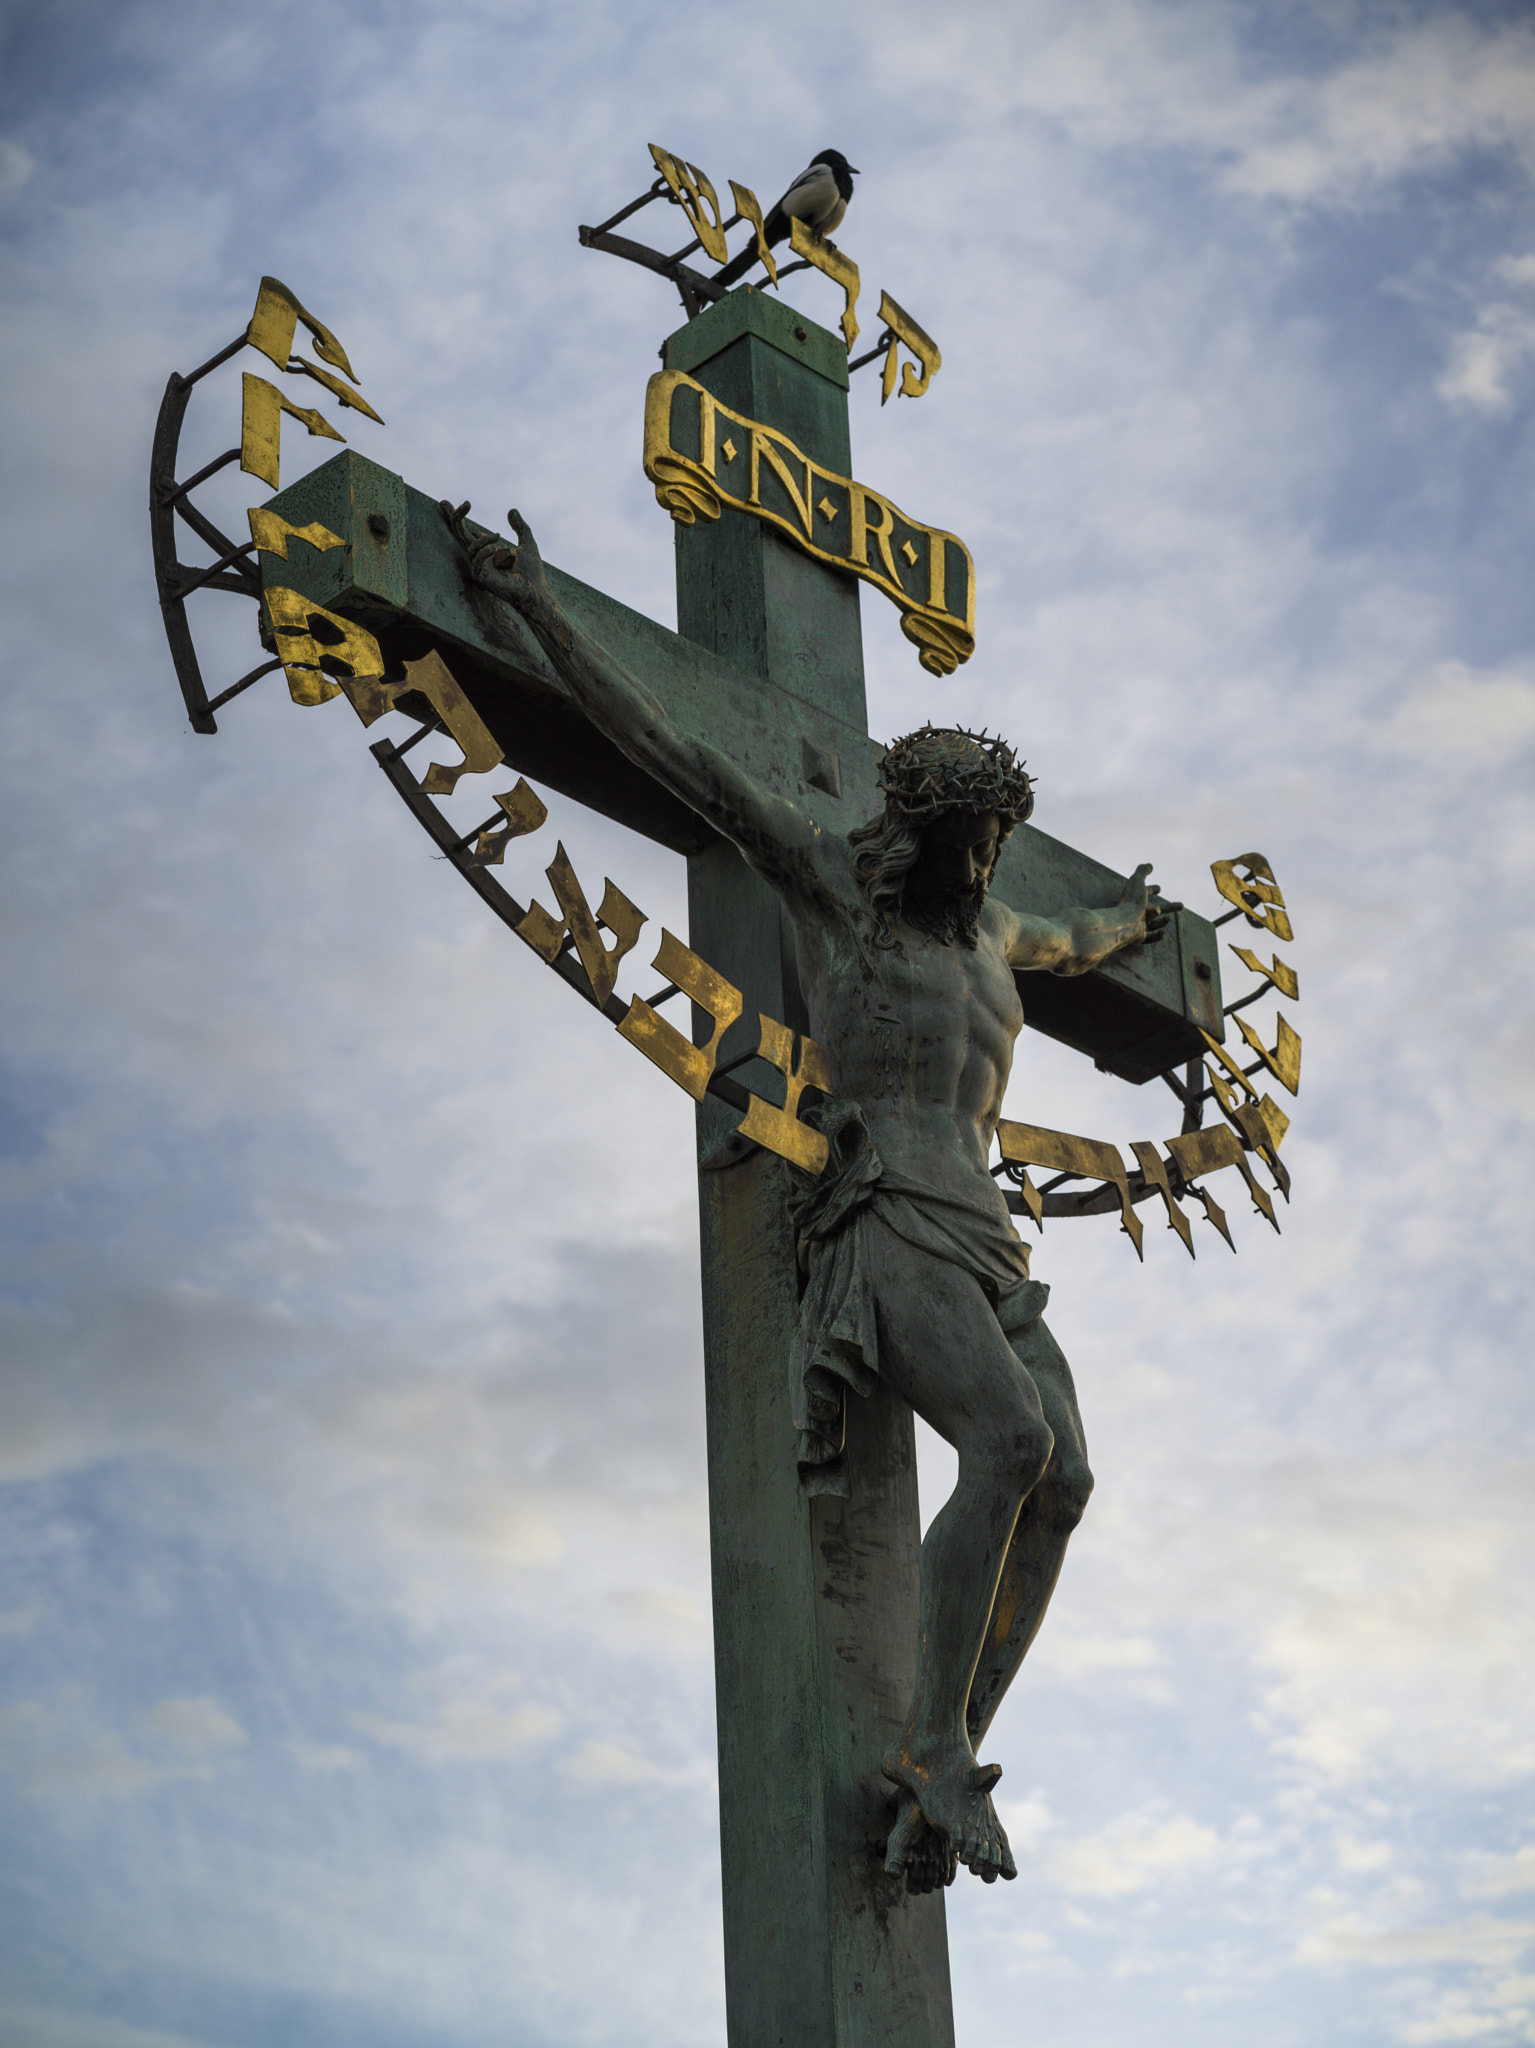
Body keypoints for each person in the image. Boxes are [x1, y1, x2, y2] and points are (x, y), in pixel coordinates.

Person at [458, 509, 1172, 1891]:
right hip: (885, 1205)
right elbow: (679, 753)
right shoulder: (835, 892)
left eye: (990, 841)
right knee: (1011, 1446)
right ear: (911, 824)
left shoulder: (997, 929)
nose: (975, 864)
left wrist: (1142, 927)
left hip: (983, 1229)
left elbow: (1078, 936)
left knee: (1068, 1479)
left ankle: (941, 1747)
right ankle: (935, 1753)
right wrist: (543, 619)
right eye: (959, 838)